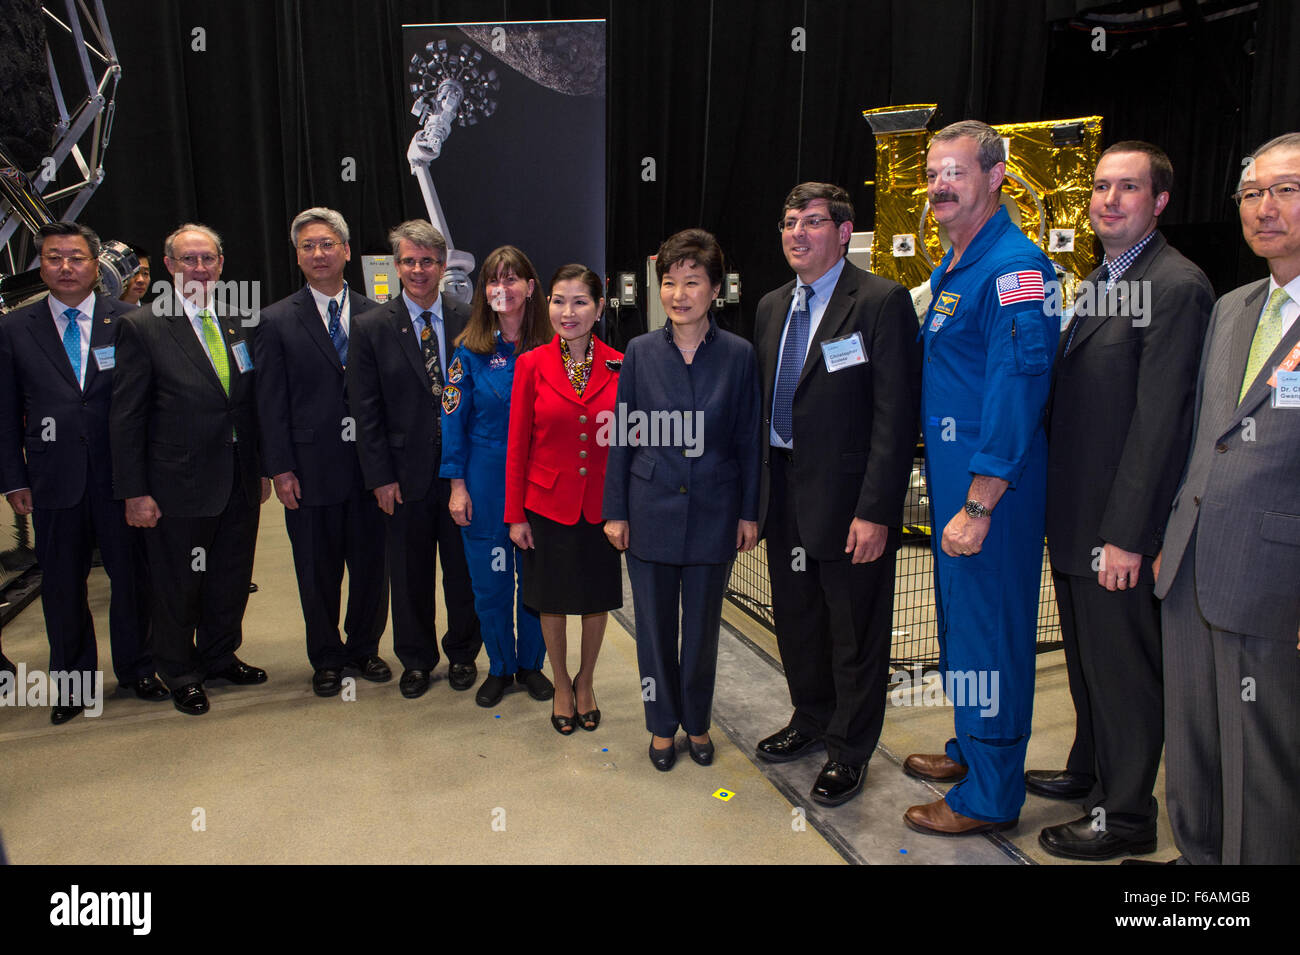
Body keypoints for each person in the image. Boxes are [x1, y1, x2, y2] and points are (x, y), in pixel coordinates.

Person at [1031, 143, 1213, 861]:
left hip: (1116, 527)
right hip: (1075, 518)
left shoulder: (1176, 285)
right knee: (1087, 663)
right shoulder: (1100, 279)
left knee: (1124, 673)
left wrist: (1128, 534)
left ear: (1159, 201)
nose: (1109, 199)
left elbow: (1159, 421)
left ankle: (1127, 812)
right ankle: (1091, 769)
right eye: (1101, 186)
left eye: (1127, 187)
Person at [903, 121, 1057, 835]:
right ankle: (973, 749)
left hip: (990, 498)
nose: (939, 185)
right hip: (960, 490)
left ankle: (991, 796)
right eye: (933, 172)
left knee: (991, 635)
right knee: (964, 631)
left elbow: (1016, 389)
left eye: (955, 172)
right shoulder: (958, 263)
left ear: (997, 176)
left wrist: (979, 500)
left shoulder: (1016, 267)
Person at [1152, 132, 1300, 865]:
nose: (1263, 208)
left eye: (1286, 190)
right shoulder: (1234, 306)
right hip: (1190, 563)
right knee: (1196, 740)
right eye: (1251, 193)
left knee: (1262, 759)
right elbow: (1204, 436)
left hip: (1273, 573)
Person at [753, 183, 922, 806]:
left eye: (813, 221)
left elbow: (895, 418)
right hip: (785, 493)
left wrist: (876, 511)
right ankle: (810, 717)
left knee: (855, 632)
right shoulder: (772, 306)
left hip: (851, 503)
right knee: (798, 621)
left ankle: (849, 750)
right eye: (790, 221)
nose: (797, 232)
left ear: (844, 232)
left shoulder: (880, 302)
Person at [603, 229, 761, 770]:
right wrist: (616, 511)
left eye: (692, 282)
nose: (679, 294)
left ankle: (697, 721)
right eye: (669, 283)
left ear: (715, 289)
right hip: (649, 513)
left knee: (701, 632)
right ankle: (660, 726)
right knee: (652, 631)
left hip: (715, 515)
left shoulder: (739, 356)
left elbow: (748, 440)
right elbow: (622, 435)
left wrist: (749, 513)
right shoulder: (640, 352)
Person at [0, 221, 165, 724]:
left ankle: (138, 669)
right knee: (62, 584)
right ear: (41, 266)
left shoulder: (134, 320)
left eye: (76, 258)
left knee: (133, 578)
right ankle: (74, 684)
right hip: (53, 481)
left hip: (123, 481)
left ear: (97, 267)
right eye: (54, 258)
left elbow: (151, 408)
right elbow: (5, 412)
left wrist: (150, 479)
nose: (65, 267)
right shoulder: (13, 328)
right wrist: (13, 478)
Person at [111, 222, 271, 716]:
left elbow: (247, 403)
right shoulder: (143, 325)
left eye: (207, 259)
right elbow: (127, 415)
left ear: (221, 265)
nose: (198, 268)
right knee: (179, 582)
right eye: (188, 260)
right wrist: (134, 490)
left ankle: (220, 655)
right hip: (176, 484)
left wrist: (262, 468)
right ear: (170, 266)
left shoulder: (239, 319)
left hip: (239, 478)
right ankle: (179, 670)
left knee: (229, 574)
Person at [255, 207, 390, 698]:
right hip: (309, 471)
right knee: (316, 569)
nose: (319, 253)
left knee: (372, 566)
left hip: (371, 468)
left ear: (347, 251)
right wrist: (280, 468)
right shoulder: (274, 321)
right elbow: (268, 404)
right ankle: (326, 657)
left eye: (328, 244)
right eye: (309, 246)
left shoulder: (379, 314)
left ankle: (364, 648)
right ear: (297, 256)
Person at [348, 220, 481, 700]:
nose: (419, 270)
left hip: (462, 473)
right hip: (403, 478)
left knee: (462, 573)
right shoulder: (370, 327)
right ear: (397, 265)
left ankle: (464, 653)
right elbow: (365, 411)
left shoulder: (470, 319)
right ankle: (418, 659)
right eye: (409, 260)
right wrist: (379, 477)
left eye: (428, 261)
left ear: (443, 265)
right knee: (408, 574)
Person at [505, 264, 623, 734]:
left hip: (600, 508)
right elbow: (518, 446)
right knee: (550, 600)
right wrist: (515, 515)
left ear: (598, 307)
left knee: (595, 600)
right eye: (558, 300)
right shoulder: (530, 364)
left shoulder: (621, 363)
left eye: (579, 302)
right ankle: (559, 684)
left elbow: (630, 442)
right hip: (546, 505)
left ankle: (587, 682)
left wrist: (625, 509)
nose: (567, 312)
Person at [440, 246, 551, 708]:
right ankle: (500, 667)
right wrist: (457, 485)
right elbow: (452, 420)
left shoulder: (554, 349)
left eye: (511, 279)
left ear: (530, 287)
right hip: (485, 478)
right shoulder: (469, 351)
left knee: (537, 580)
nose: (501, 289)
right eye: (493, 280)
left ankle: (531, 665)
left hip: (540, 480)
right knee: (490, 581)